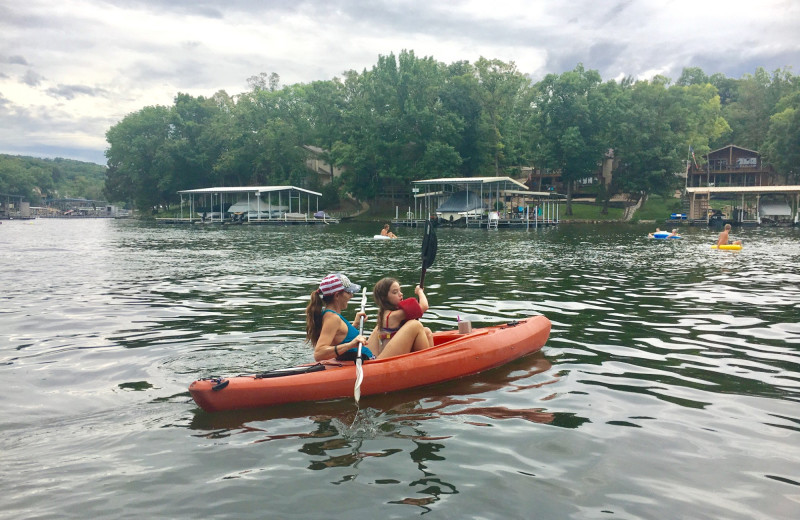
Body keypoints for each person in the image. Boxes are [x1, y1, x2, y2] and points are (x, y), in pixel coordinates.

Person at [305, 273, 373, 362]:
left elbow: (340, 337)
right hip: (367, 362)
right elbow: (319, 354)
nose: (351, 296)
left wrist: (355, 325)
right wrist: (351, 344)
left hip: (366, 358)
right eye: (348, 292)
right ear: (337, 295)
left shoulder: (329, 315)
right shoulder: (332, 318)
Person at [367, 277, 434, 357]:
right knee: (416, 324)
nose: (400, 294)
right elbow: (424, 306)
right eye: (395, 292)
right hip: (389, 358)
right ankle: (428, 360)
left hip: (390, 350)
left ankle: (432, 359)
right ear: (384, 298)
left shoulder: (385, 312)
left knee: (427, 331)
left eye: (400, 290)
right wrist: (420, 292)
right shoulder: (393, 316)